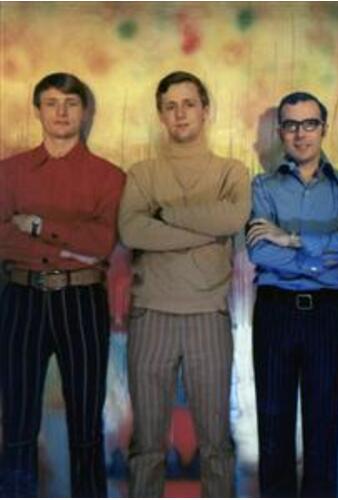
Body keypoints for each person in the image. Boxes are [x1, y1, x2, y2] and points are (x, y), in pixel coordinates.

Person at [118, 71, 250, 497]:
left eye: (189, 104)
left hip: (208, 316)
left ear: (205, 110)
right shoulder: (143, 173)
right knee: (147, 446)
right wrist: (205, 232)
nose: (180, 113)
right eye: (170, 106)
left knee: (216, 444)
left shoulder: (231, 171)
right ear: (161, 115)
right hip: (151, 315)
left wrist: (166, 215)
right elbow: (133, 232)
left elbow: (232, 219)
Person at [0, 72, 125, 497]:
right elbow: (2, 238)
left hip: (82, 300)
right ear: (37, 110)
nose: (61, 112)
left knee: (86, 423)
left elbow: (101, 243)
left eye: (71, 103)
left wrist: (37, 225)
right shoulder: (9, 172)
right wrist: (72, 241)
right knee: (17, 420)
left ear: (84, 112)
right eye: (51, 103)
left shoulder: (108, 176)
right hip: (20, 298)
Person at [246, 91, 338, 497]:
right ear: (280, 131)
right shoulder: (263, 187)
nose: (300, 134)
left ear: (324, 129)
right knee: (273, 429)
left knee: (323, 428)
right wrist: (328, 251)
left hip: (328, 315)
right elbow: (260, 252)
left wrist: (292, 239)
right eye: (291, 125)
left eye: (309, 124)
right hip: (275, 313)